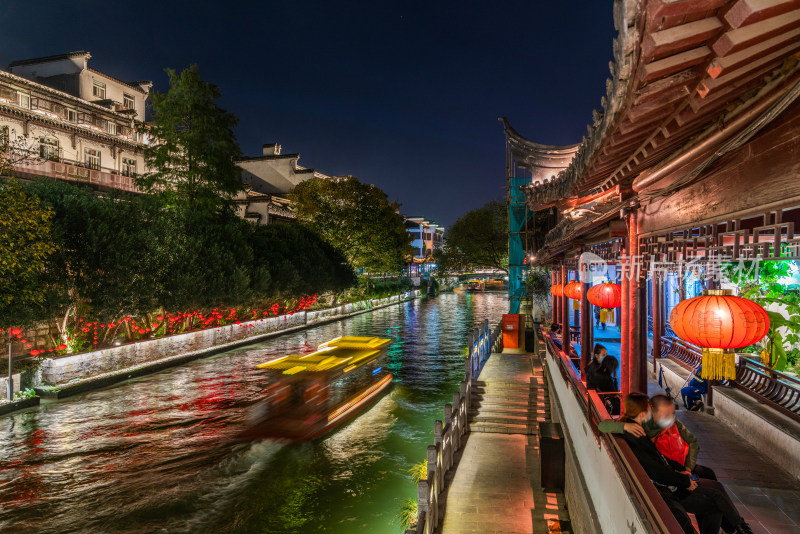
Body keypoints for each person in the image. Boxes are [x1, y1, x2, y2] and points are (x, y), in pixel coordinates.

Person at [608, 393, 753, 534]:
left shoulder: (637, 429)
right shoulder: (637, 432)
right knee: (715, 499)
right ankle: (739, 528)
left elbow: (675, 451)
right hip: (667, 488)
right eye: (649, 409)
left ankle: (739, 528)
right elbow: (656, 470)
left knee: (715, 486)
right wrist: (685, 481)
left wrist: (685, 470)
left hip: (671, 476)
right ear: (642, 414)